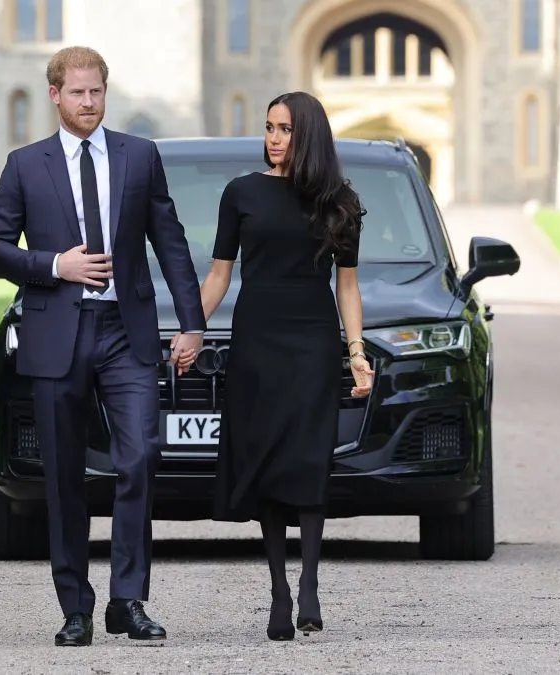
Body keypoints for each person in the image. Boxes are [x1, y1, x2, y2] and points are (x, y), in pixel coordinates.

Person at [0, 45, 207, 647]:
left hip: (126, 334)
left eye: (97, 92)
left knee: (139, 458)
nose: (88, 102)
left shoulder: (140, 156)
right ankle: (75, 607)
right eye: (77, 93)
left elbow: (171, 241)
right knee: (64, 477)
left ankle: (127, 601)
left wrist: (191, 322)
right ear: (54, 95)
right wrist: (56, 264)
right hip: (57, 332)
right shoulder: (26, 165)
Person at [184, 91, 374, 642]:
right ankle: (279, 592)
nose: (273, 137)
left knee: (308, 457)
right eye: (269, 127)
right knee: (267, 460)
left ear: (307, 134)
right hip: (257, 341)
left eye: (285, 128)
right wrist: (192, 328)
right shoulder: (241, 193)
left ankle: (310, 582)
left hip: (313, 341)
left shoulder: (338, 200)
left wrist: (356, 353)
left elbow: (348, 285)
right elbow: (220, 274)